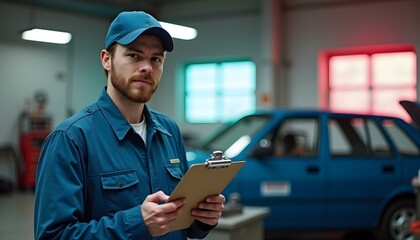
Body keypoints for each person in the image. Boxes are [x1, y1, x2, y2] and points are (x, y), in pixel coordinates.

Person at [34, 11, 225, 240]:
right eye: (134, 55)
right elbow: (53, 236)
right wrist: (137, 224)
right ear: (107, 59)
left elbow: (183, 223)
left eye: (156, 59)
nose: (147, 67)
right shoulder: (71, 139)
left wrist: (203, 218)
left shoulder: (169, 131)